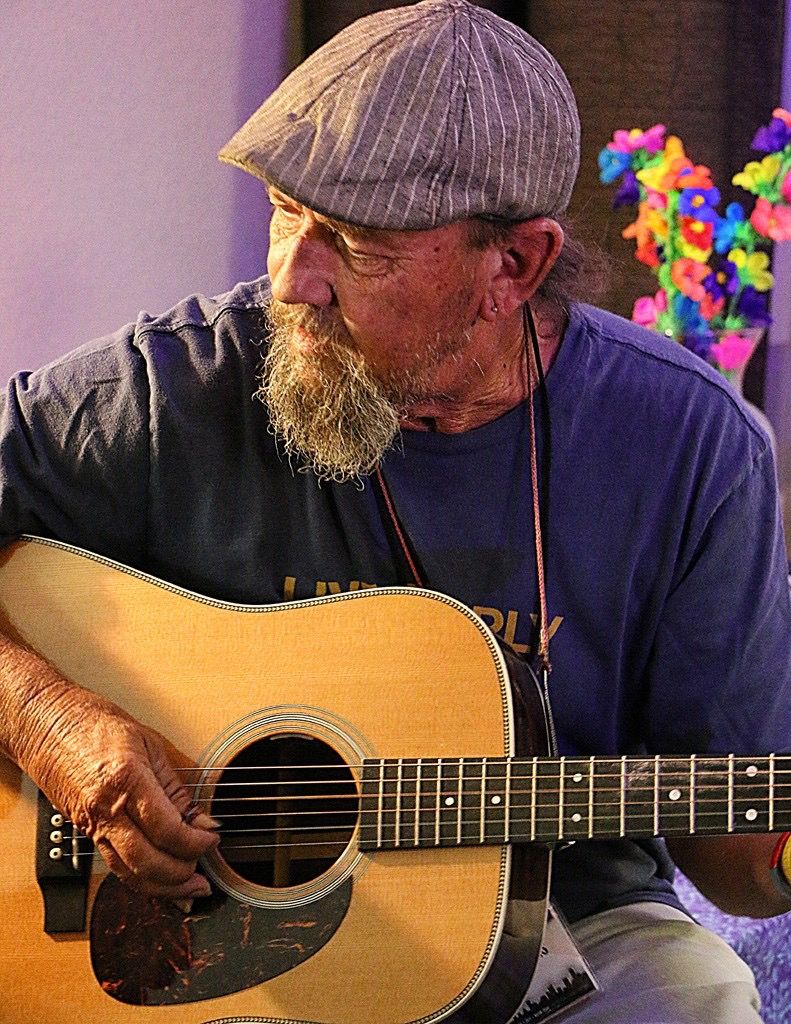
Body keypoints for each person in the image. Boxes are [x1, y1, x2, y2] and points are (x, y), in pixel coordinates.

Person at [0, 1, 789, 1021]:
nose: (292, 280)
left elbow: (732, 858)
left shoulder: (689, 444)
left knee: (702, 999)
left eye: (354, 245)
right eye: (286, 211)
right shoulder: (166, 390)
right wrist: (49, 720)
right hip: (212, 944)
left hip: (568, 924)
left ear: (513, 266)